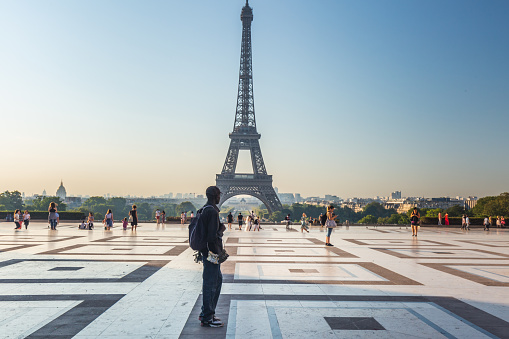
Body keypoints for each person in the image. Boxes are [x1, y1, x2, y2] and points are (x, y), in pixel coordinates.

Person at [198, 186, 226, 328]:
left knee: (216, 280)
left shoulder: (204, 209)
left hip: (206, 252)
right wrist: (221, 230)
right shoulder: (212, 211)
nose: (220, 197)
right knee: (211, 284)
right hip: (212, 253)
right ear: (216, 196)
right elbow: (211, 236)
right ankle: (208, 317)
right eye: (219, 195)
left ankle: (208, 313)